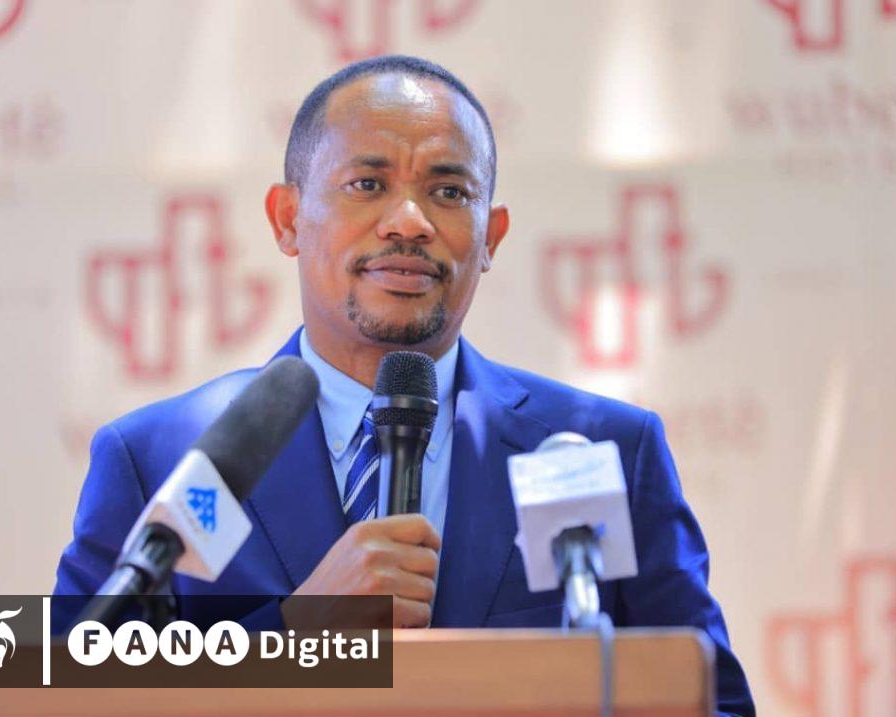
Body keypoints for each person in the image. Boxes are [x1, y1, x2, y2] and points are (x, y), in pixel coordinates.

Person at [54, 55, 754, 715]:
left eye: (449, 192)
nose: (410, 222)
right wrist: (297, 635)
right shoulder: (158, 458)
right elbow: (58, 690)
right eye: (368, 184)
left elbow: (710, 702)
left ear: (491, 236)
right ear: (288, 219)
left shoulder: (598, 452)